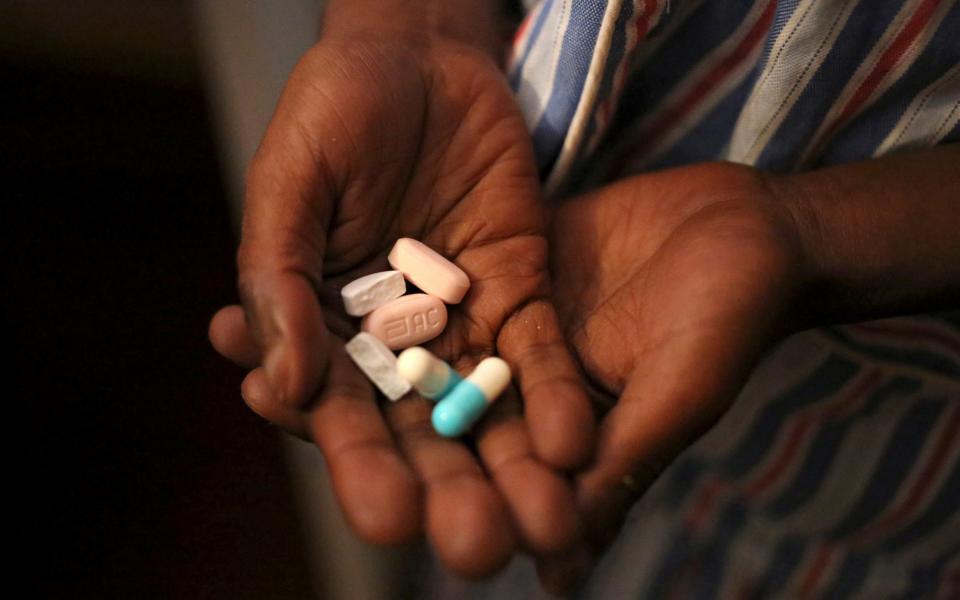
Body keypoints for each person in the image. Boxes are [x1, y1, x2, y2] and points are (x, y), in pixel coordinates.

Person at [209, 0, 960, 597]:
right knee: (509, 519)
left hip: (877, 485)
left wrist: (820, 234)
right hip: (574, 399)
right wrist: (408, 22)